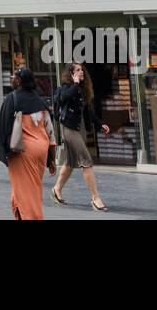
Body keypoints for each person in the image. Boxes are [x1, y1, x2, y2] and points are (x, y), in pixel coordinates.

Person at [0, 68, 54, 220]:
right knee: (24, 192)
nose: (11, 78)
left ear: (18, 81)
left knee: (28, 198)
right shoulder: (40, 100)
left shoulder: (12, 99)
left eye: (13, 76)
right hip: (41, 151)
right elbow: (50, 131)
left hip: (22, 152)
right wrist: (51, 159)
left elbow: (1, 127)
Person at [50, 62, 111, 211]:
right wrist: (75, 84)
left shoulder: (82, 89)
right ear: (70, 74)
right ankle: (96, 198)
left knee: (70, 163)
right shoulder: (67, 86)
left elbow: (87, 111)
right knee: (86, 160)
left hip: (81, 128)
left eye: (82, 70)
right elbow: (64, 98)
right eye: (77, 70)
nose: (81, 72)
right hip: (69, 128)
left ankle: (56, 189)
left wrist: (99, 123)